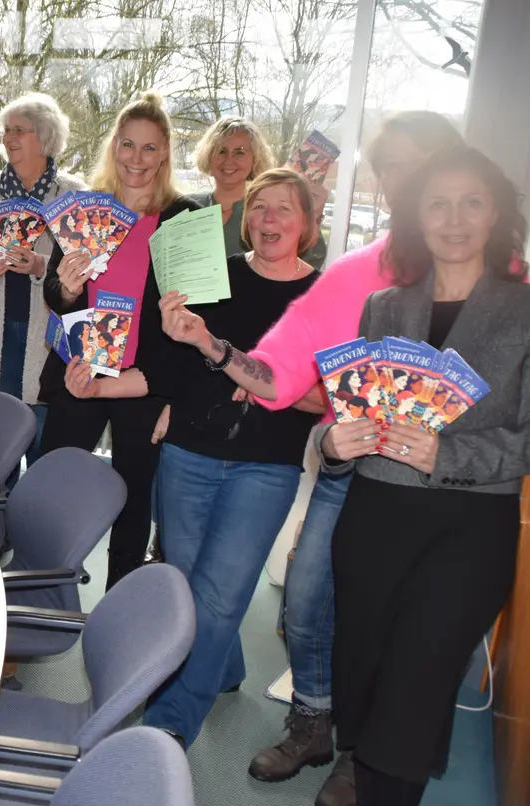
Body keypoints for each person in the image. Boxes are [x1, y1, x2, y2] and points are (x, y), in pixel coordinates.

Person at [299, 146, 530, 806]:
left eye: (472, 203)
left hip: (467, 528)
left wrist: (449, 449)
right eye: (437, 205)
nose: (454, 220)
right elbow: (341, 418)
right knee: (367, 674)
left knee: (415, 688)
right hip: (376, 518)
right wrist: (333, 441)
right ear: (416, 218)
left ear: (497, 215)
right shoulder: (385, 309)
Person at [180, 111, 466, 806]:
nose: (402, 179)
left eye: (415, 163)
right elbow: (278, 373)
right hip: (348, 467)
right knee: (307, 603)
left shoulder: (490, 271)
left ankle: (363, 756)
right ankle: (313, 720)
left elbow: (506, 391)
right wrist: (214, 349)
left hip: (442, 482)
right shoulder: (352, 273)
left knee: (395, 620)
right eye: (389, 166)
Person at [75, 169, 320, 744]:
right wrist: (99, 387)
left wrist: (245, 368)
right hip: (190, 453)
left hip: (266, 464)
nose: (269, 220)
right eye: (259, 208)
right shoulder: (216, 280)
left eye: (284, 209)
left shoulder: (321, 297)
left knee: (217, 595)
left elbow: (319, 396)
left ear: (306, 223)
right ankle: (225, 665)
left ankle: (165, 729)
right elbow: (164, 371)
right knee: (188, 585)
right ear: (244, 219)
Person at [40, 91, 199, 590]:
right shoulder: (89, 210)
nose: (136, 158)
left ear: (166, 153)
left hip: (144, 384)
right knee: (53, 491)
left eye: (150, 148)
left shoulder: (183, 218)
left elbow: (199, 315)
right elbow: (54, 291)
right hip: (79, 371)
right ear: (113, 148)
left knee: (133, 503)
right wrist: (65, 286)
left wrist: (176, 395)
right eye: (127, 145)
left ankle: (121, 611)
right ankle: (43, 592)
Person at [0, 93, 86, 473]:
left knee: (42, 466)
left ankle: (32, 532)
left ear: (43, 137)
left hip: (44, 345)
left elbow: (87, 267)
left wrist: (41, 264)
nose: (8, 138)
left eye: (18, 131)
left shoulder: (75, 193)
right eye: (5, 130)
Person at [188, 116, 328, 269]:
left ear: (255, 158)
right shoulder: (186, 207)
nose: (229, 159)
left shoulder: (270, 211)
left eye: (239, 152)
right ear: (208, 156)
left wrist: (312, 216)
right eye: (221, 151)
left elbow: (308, 264)